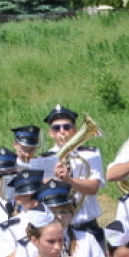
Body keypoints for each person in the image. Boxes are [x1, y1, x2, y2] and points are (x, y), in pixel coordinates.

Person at [42, 104, 106, 243]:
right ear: (51, 133)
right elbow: (42, 194)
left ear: (75, 130)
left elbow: (93, 188)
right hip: (57, 227)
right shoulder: (44, 159)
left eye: (67, 127)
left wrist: (69, 180)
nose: (62, 131)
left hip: (86, 224)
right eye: (56, 128)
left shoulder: (90, 154)